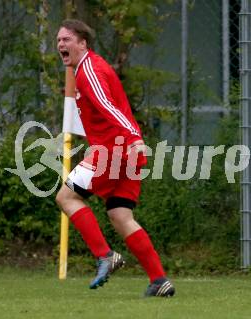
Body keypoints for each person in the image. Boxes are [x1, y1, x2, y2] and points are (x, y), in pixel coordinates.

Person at [55, 19, 175, 297]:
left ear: (83, 43)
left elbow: (109, 107)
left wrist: (134, 137)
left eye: (67, 39)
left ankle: (104, 255)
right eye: (59, 40)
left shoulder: (88, 70)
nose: (61, 44)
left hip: (113, 150)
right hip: (123, 151)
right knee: (120, 215)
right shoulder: (87, 68)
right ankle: (158, 280)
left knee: (65, 197)